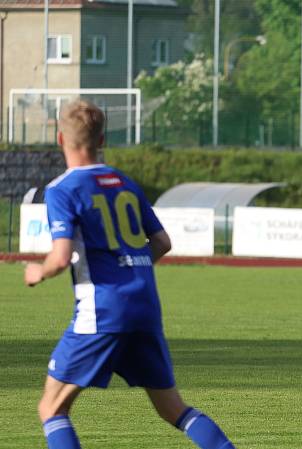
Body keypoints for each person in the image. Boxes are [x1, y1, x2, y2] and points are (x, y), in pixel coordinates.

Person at [24, 100, 235, 449]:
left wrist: (37, 271)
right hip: (144, 305)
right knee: (173, 410)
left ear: (60, 138)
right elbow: (162, 242)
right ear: (102, 138)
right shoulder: (124, 182)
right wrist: (131, 266)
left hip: (103, 310)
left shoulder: (62, 189)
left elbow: (60, 258)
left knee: (52, 408)